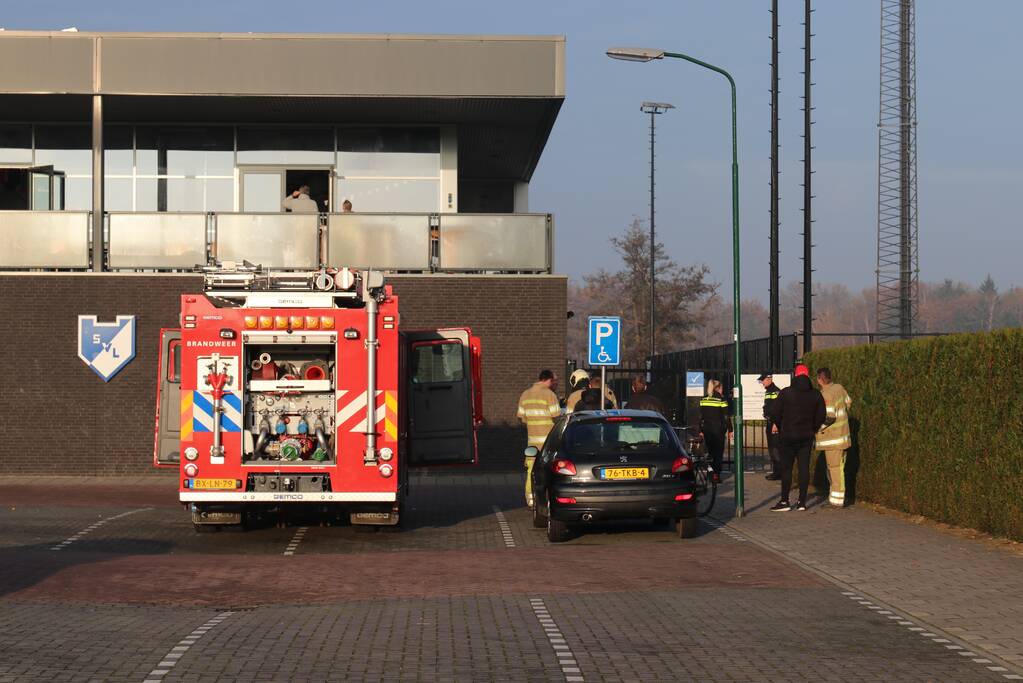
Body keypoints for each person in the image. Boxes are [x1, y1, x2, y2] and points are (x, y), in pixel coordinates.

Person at [771, 363, 826, 512]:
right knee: (804, 469)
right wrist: (813, 428)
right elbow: (822, 415)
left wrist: (781, 425)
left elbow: (775, 413)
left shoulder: (786, 393)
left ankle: (784, 501)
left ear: (795, 375)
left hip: (787, 436)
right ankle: (802, 502)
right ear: (807, 375)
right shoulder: (815, 394)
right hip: (806, 437)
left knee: (786, 469)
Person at [517, 369, 561, 508]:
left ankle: (530, 499)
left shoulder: (525, 394)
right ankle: (547, 500)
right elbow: (557, 418)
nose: (556, 384)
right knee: (549, 471)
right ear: (549, 380)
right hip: (548, 442)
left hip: (532, 441)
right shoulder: (549, 395)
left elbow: (521, 418)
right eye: (555, 381)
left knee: (531, 470)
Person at [816, 367, 853, 507]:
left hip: (833, 440)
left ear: (820, 379)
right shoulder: (839, 388)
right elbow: (849, 402)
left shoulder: (826, 394)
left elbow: (830, 417)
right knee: (839, 469)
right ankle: (836, 497)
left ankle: (836, 501)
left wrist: (816, 429)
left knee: (834, 469)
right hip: (844, 437)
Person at [699, 379, 731, 483]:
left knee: (710, 453)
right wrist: (730, 429)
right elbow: (726, 416)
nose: (722, 390)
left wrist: (700, 430)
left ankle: (710, 474)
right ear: (718, 388)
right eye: (721, 388)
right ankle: (716, 475)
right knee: (718, 454)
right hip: (718, 430)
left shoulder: (703, 399)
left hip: (707, 430)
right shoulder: (721, 399)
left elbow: (700, 416)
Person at [759, 373, 782, 480]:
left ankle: (778, 473)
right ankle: (776, 471)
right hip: (770, 423)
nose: (762, 382)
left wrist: (776, 424)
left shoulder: (775, 391)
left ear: (769, 379)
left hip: (774, 425)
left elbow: (778, 409)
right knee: (772, 449)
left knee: (776, 449)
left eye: (763, 380)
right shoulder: (769, 391)